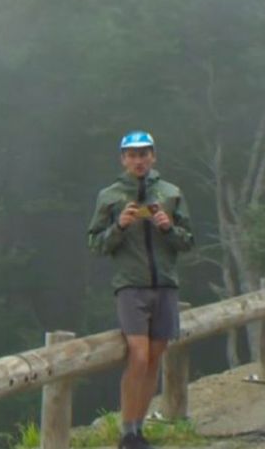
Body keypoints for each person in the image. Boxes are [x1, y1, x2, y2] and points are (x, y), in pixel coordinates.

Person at [87, 131, 195, 449]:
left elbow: (188, 241)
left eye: (144, 154)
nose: (139, 160)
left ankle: (138, 429)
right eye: (132, 155)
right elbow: (95, 243)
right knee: (138, 355)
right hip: (130, 286)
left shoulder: (171, 193)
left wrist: (168, 227)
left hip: (165, 285)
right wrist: (119, 225)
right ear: (123, 159)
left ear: (153, 156)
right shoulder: (110, 196)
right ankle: (127, 432)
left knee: (154, 358)